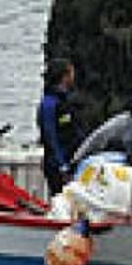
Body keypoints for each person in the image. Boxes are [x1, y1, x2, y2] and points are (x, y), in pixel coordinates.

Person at [37, 59, 84, 196]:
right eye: (71, 72)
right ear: (64, 76)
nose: (73, 76)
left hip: (73, 160)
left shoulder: (65, 101)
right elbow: (50, 136)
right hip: (58, 165)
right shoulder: (49, 103)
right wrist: (62, 166)